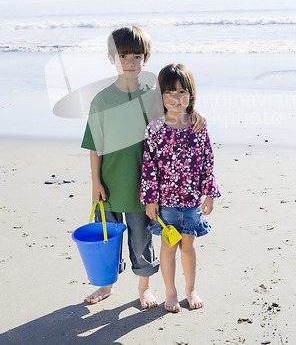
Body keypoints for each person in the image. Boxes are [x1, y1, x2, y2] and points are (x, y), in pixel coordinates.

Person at [81, 26, 206, 308]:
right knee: (107, 236)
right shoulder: (101, 100)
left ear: (146, 59)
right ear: (111, 57)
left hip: (143, 186)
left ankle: (144, 286)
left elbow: (176, 110)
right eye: (123, 55)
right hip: (109, 183)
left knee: (141, 238)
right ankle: (106, 284)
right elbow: (94, 146)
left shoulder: (152, 96)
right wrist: (95, 182)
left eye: (137, 56)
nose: (130, 62)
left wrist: (196, 113)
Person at [140, 63, 220, 312]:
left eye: (182, 92)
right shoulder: (155, 129)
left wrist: (210, 193)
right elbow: (148, 166)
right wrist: (150, 200)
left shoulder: (198, 127)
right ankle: (170, 291)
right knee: (168, 246)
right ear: (160, 96)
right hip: (167, 205)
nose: (176, 98)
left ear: (191, 94)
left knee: (188, 245)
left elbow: (208, 160)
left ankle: (190, 288)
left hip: (192, 202)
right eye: (169, 93)